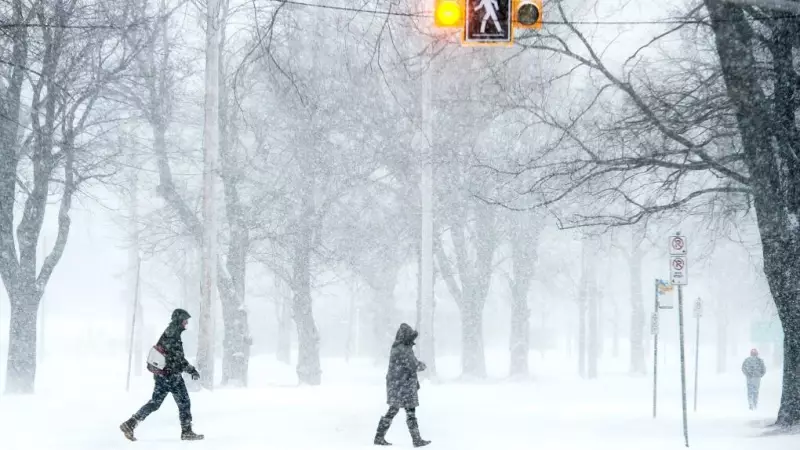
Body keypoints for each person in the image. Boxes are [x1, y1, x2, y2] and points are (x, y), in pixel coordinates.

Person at [120, 308, 204, 441]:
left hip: (163, 376)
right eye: (185, 320)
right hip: (171, 377)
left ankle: (130, 424)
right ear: (179, 320)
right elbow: (178, 359)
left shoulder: (170, 332)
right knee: (184, 402)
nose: (186, 323)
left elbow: (174, 358)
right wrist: (191, 370)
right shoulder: (173, 335)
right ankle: (186, 431)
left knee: (155, 403)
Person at [374, 323, 430, 447]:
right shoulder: (403, 348)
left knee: (395, 410)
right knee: (409, 412)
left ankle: (379, 436)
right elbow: (412, 364)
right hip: (402, 386)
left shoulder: (398, 347)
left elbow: (408, 364)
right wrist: (422, 365)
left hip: (398, 385)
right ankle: (416, 440)